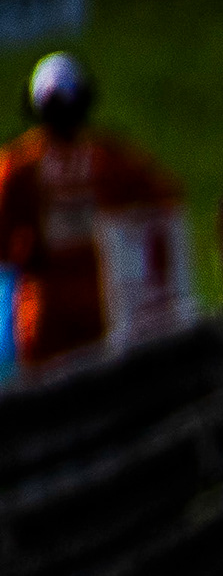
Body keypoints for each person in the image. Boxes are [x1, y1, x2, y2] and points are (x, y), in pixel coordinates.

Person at [2, 55, 185, 374]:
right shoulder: (103, 158)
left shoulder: (23, 166)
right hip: (85, 300)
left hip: (69, 303)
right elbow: (165, 195)